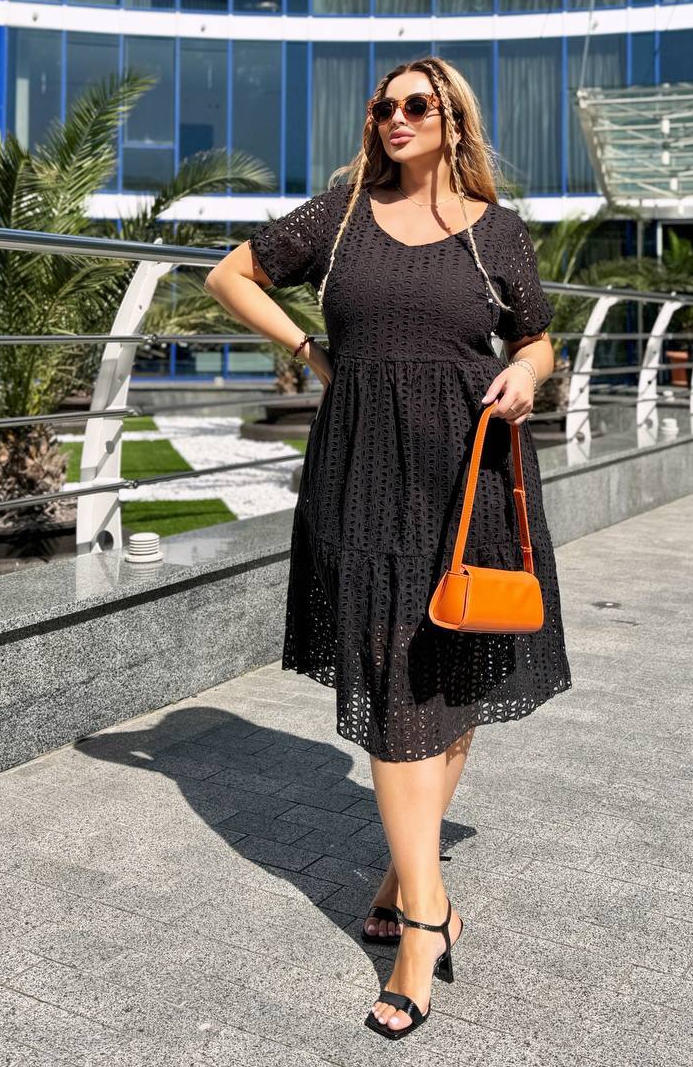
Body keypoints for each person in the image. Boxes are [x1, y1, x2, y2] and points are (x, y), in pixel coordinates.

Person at [204, 55, 572, 1040]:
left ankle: (398, 879)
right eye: (382, 106)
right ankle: (423, 921)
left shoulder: (494, 231)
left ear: (452, 120)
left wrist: (529, 373)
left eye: (415, 104)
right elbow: (229, 274)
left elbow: (536, 336)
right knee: (391, 684)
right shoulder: (340, 215)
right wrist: (311, 353)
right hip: (362, 471)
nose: (394, 117)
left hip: (467, 473)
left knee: (448, 679)